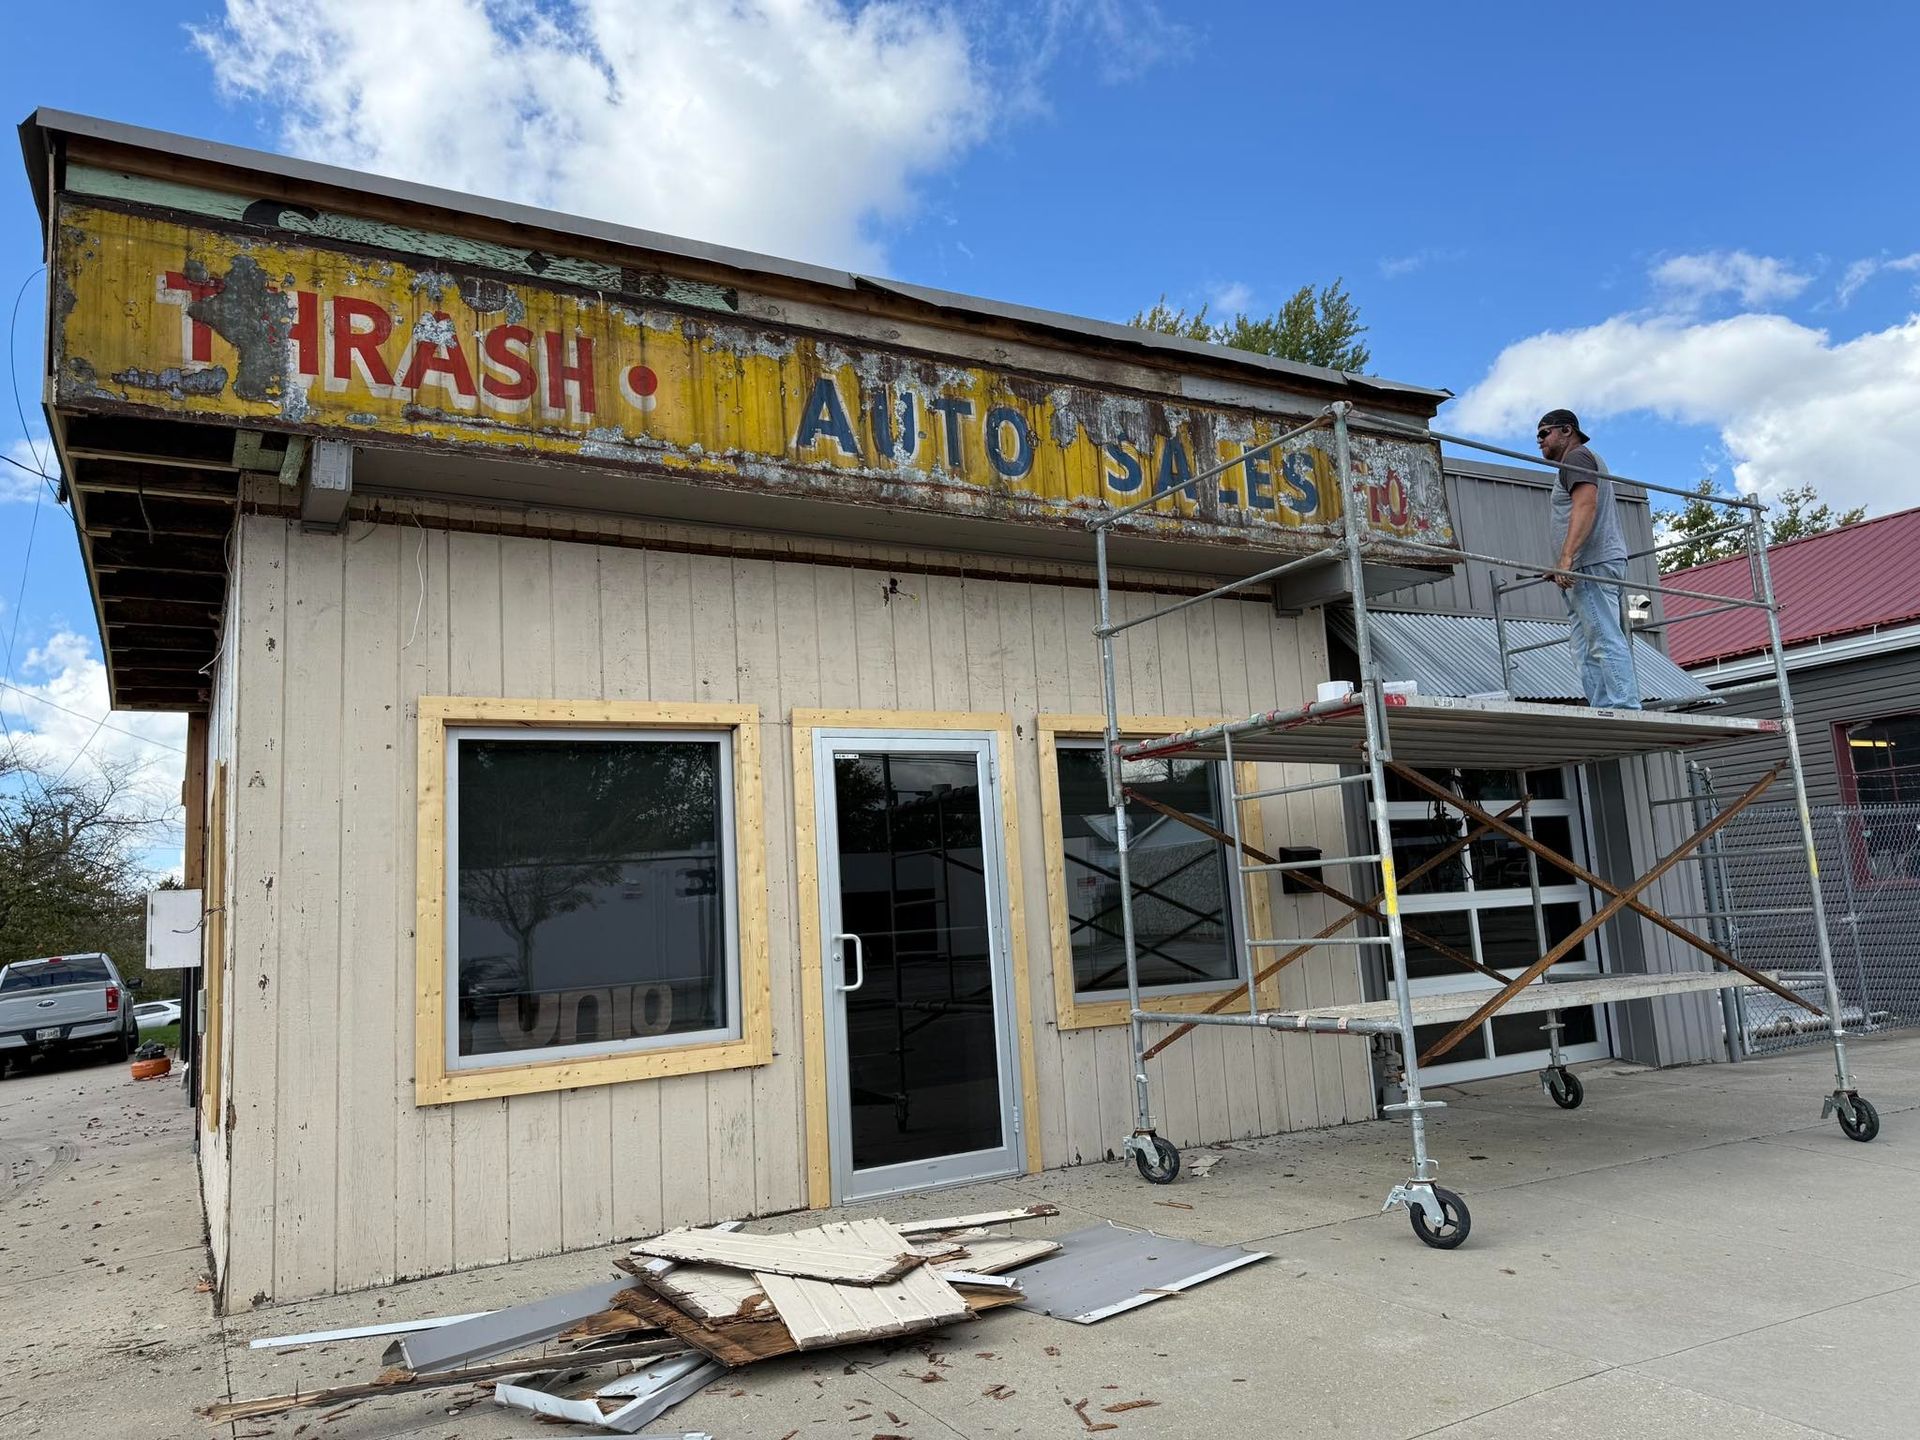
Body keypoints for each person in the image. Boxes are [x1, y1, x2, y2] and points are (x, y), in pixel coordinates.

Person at [1536, 408, 1639, 709]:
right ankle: (1604, 705)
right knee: (1584, 647)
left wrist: (1566, 559)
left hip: (1589, 564)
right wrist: (1561, 563)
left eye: (1544, 433)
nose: (1539, 441)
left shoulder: (1577, 458)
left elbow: (1585, 506)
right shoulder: (1577, 461)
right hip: (1584, 566)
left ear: (1567, 431)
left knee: (1603, 638)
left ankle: (1623, 707)